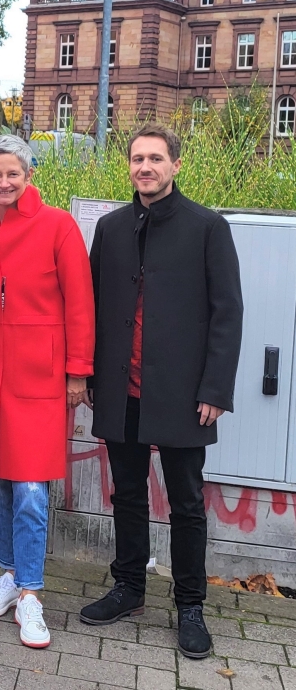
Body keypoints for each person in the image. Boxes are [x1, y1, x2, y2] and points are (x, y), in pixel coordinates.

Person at [80, 123, 243, 659]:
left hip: (181, 394)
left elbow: (227, 312)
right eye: (136, 158)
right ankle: (128, 588)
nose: (144, 167)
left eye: (155, 158)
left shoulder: (208, 228)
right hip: (121, 390)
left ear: (175, 165)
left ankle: (190, 605)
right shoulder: (110, 228)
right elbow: (92, 308)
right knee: (125, 494)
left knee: (187, 503)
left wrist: (215, 387)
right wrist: (83, 375)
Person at [0, 135, 95, 649]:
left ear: (29, 175)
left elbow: (80, 302)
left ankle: (32, 593)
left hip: (39, 376)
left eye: (13, 173)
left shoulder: (58, 225)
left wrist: (77, 372)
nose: (4, 182)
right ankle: (11, 574)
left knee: (33, 490)